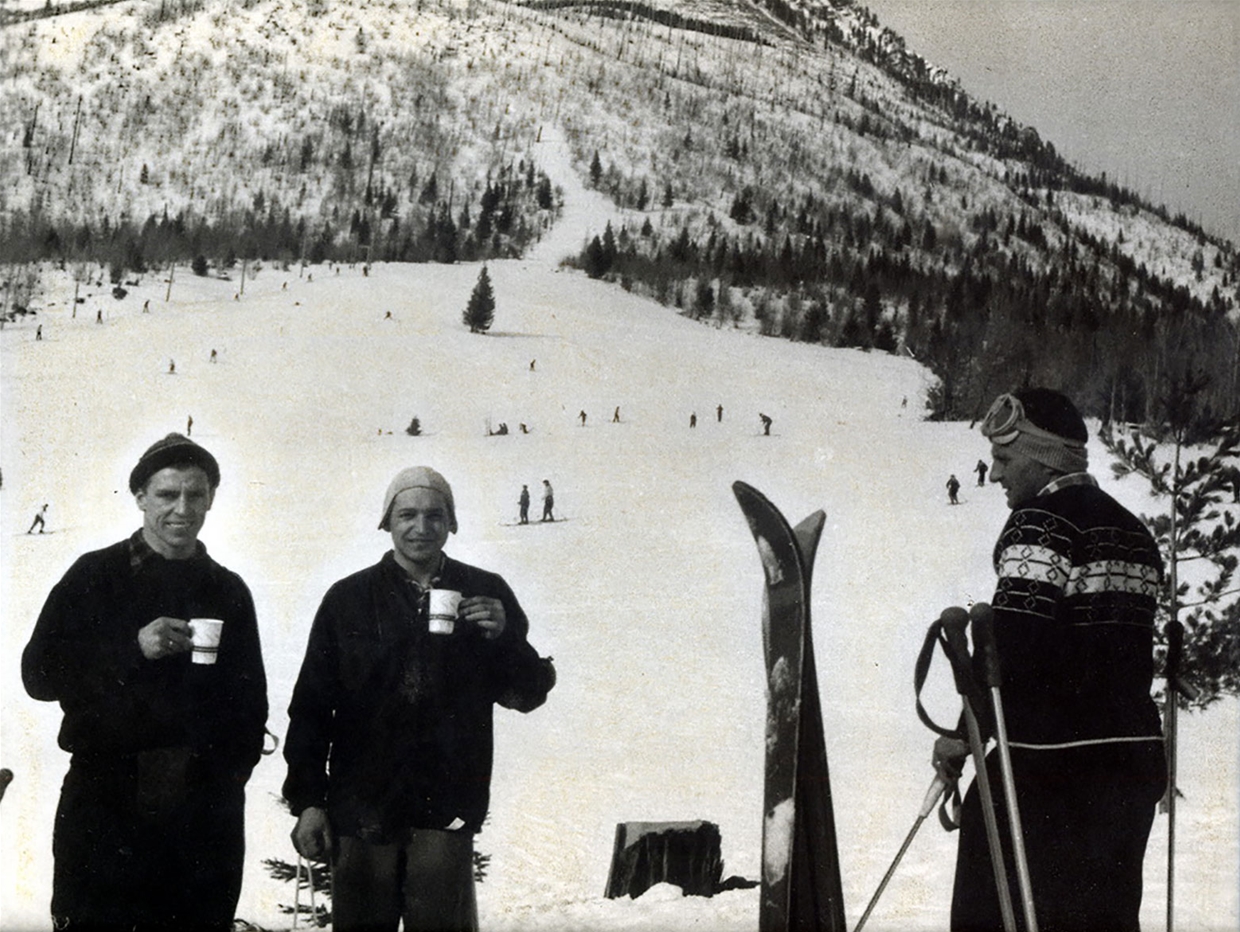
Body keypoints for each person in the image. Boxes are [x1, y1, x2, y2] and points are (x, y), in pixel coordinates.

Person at [282, 466, 555, 932]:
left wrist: (504, 637)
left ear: (451, 522)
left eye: (435, 515)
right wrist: (309, 800)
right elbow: (310, 708)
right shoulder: (347, 599)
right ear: (387, 522)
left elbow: (527, 694)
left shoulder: (485, 591)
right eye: (407, 514)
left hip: (445, 807)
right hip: (361, 807)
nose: (421, 527)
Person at [936, 388, 1165, 932]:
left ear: (1042, 458)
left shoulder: (1038, 523)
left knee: (1002, 914)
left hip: (1046, 771)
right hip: (1128, 765)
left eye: (1005, 459)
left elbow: (1015, 647)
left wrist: (964, 733)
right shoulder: (1134, 531)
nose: (994, 475)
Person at [21, 433, 268, 931]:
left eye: (195, 495)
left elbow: (250, 707)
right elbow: (39, 675)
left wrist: (220, 784)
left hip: (201, 816)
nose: (182, 509)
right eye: (166, 494)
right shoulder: (93, 576)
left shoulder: (227, 590)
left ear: (211, 500)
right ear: (139, 498)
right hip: (104, 803)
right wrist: (131, 648)